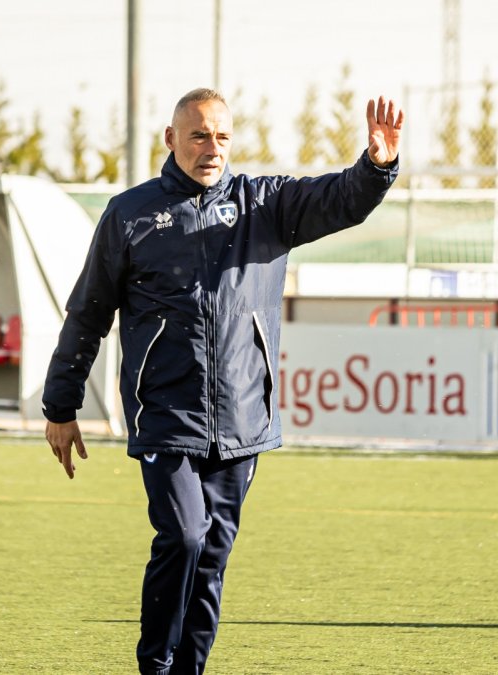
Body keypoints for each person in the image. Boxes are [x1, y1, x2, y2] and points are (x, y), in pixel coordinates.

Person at [42, 87, 402, 674]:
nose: (212, 147)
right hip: (165, 415)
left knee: (211, 556)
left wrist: (376, 166)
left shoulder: (266, 204)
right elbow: (88, 311)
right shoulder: (130, 214)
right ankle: (155, 666)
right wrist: (62, 404)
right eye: (199, 135)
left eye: (222, 136)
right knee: (184, 536)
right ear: (171, 139)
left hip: (242, 419)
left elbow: (341, 199)